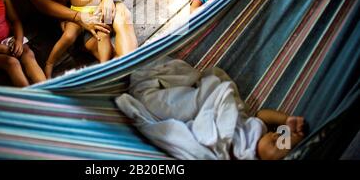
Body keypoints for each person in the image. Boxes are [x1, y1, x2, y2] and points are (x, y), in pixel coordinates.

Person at [116, 60, 306, 160]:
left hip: (201, 134)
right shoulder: (257, 130)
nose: (278, 137)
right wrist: (286, 121)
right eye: (279, 135)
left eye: (278, 145)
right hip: (210, 106)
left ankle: (141, 87)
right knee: (162, 102)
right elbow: (262, 116)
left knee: (153, 106)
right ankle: (143, 84)